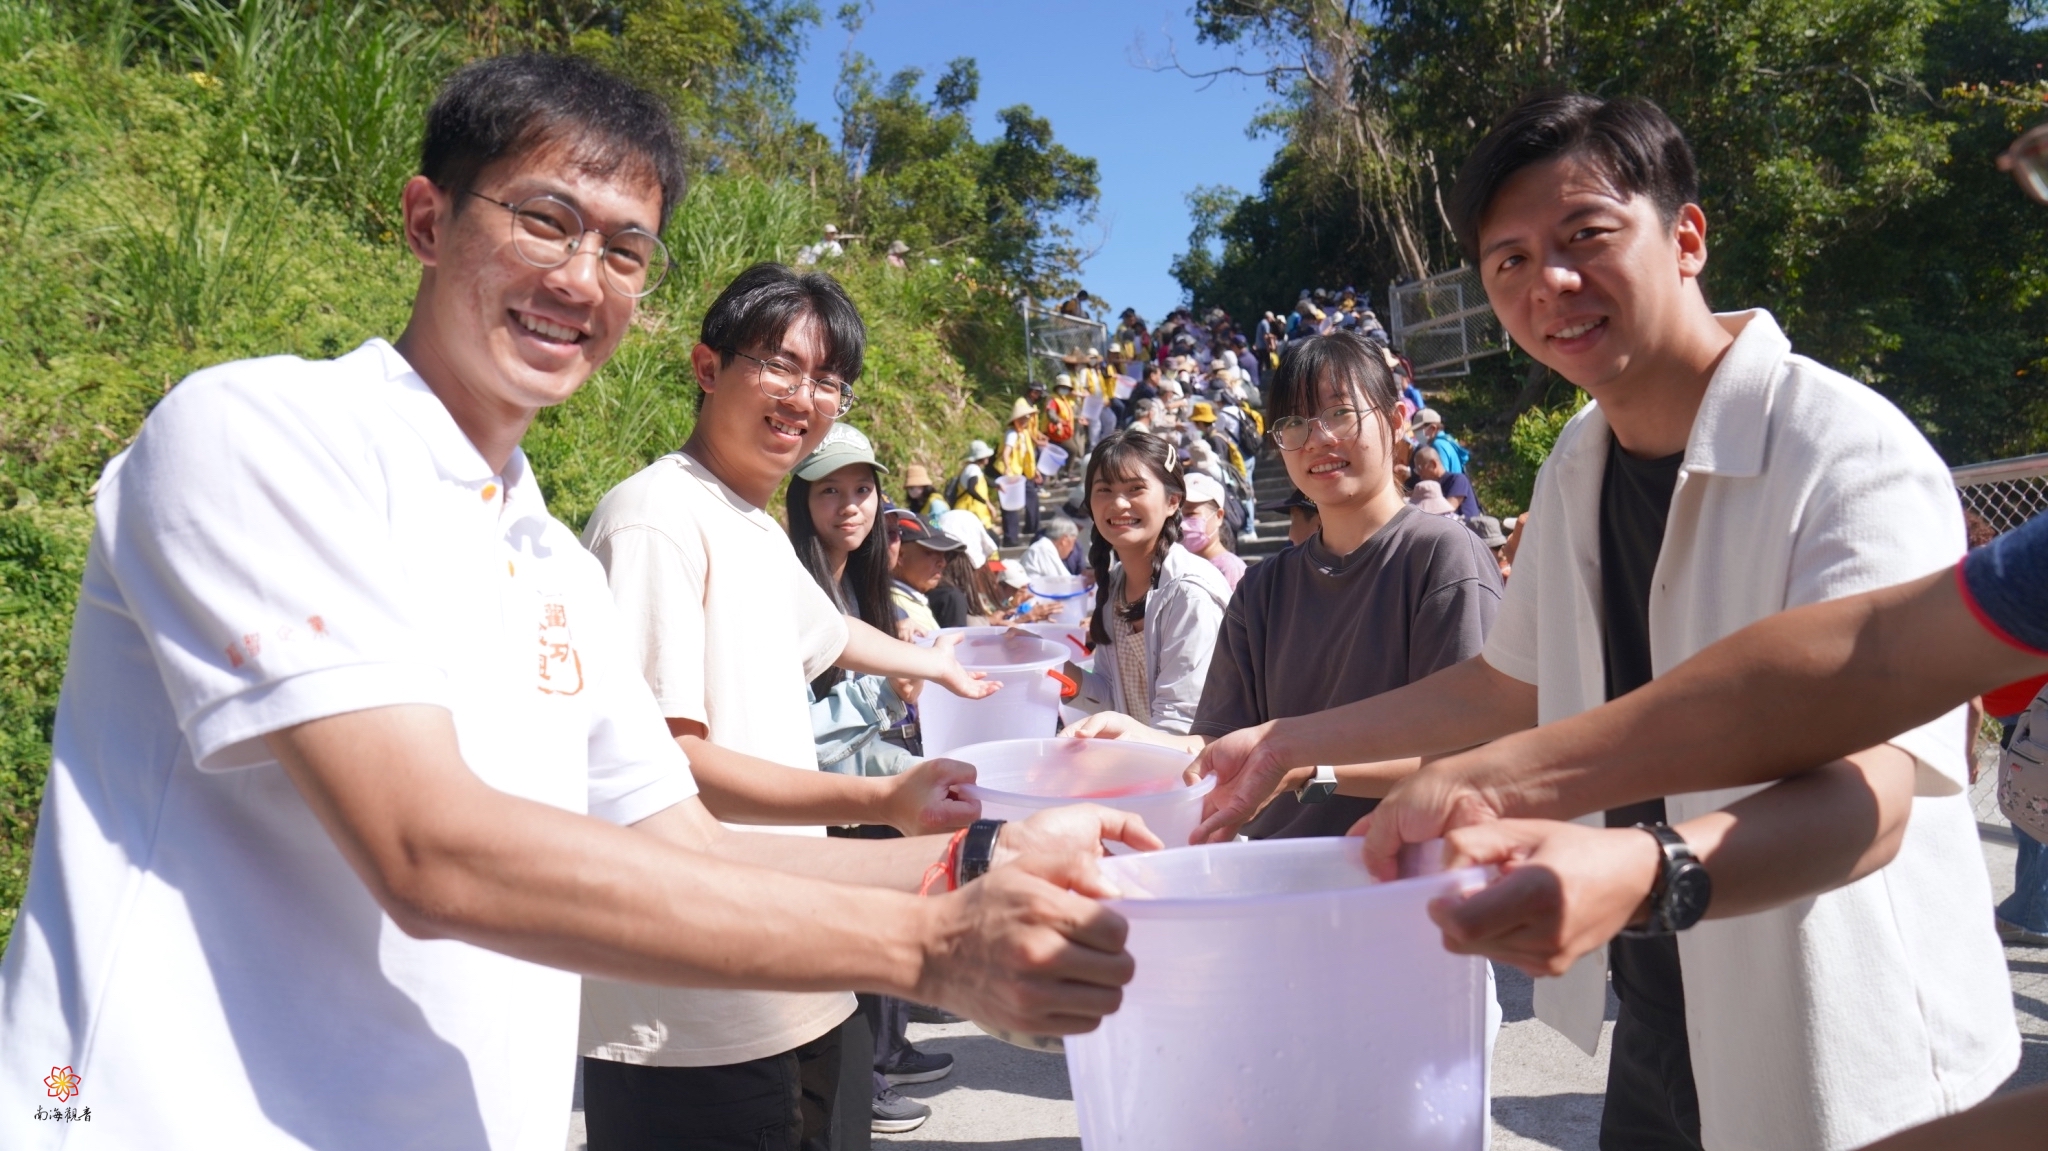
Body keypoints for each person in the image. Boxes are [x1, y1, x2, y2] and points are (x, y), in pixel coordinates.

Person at [0, 54, 1146, 1149]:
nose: (580, 279)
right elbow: (428, 848)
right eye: (544, 221)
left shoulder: (549, 557)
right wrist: (927, 943)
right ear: (428, 220)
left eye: (625, 250)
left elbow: (691, 844)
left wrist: (988, 858)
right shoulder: (265, 435)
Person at [1192, 93, 2015, 1151]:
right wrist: (1287, 740)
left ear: (1686, 237)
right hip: (1663, 1012)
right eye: (1510, 261)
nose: (1549, 283)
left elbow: (1877, 795)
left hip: (1846, 1033)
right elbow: (1506, 683)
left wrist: (1639, 870)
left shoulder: (1845, 449)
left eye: (1585, 236)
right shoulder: (1576, 459)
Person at [579, 262, 1084, 1149]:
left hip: (796, 955)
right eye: (779, 365)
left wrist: (941, 666)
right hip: (696, 1007)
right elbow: (667, 768)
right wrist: (884, 798)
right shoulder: (654, 519)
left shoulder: (749, 521)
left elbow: (832, 631)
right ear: (706, 367)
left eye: (828, 379)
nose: (804, 397)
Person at [784, 426, 954, 1135]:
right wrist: (889, 686)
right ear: (801, 501)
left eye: (862, 489)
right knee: (850, 958)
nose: (849, 505)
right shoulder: (792, 583)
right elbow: (803, 730)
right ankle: (866, 1081)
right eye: (829, 490)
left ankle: (880, 1062)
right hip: (824, 807)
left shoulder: (856, 582)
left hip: (865, 793)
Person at [1064, 430, 1230, 736]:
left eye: (1135, 489)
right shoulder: (1114, 585)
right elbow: (1114, 697)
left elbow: (1181, 724)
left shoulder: (1189, 594)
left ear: (1172, 501)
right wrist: (1051, 669)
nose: (1118, 503)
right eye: (1104, 489)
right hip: (1143, 757)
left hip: (1188, 762)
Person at [890, 513, 965, 639]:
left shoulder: (911, 599)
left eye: (945, 554)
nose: (942, 563)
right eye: (931, 552)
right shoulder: (894, 603)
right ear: (901, 555)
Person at [1179, 472, 1246, 592]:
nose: (1182, 524)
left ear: (1219, 516)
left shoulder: (1230, 568)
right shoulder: (1180, 565)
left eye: (1191, 514)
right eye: (1178, 516)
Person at [995, 397, 1043, 546]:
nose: (1024, 421)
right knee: (1011, 506)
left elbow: (1027, 456)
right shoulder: (1012, 434)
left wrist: (1034, 470)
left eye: (1026, 419)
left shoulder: (1024, 433)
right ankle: (1011, 538)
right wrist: (1007, 467)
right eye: (1021, 419)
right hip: (1010, 474)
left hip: (1021, 473)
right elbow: (1006, 452)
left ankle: (1032, 528)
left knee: (1032, 497)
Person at [1413, 444, 1483, 519]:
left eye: (1420, 468)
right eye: (1416, 470)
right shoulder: (1434, 486)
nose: (1419, 473)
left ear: (1433, 464)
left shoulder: (1458, 479)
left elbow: (1448, 508)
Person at [943, 440, 997, 530]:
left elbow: (984, 480)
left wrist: (997, 485)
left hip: (969, 511)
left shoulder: (972, 468)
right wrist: (987, 504)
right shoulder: (973, 470)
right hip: (970, 511)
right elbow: (971, 489)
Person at [1021, 515, 1081, 585]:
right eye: (1073, 543)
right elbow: (1062, 583)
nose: (1072, 549)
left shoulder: (1045, 547)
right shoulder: (1043, 549)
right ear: (1064, 540)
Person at [1410, 408, 1467, 474]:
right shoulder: (1446, 441)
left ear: (1433, 428)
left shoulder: (1437, 445)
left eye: (1418, 430)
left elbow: (1441, 475)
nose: (1415, 434)